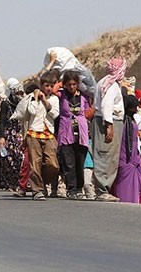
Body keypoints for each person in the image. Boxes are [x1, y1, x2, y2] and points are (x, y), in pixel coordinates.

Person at [92, 57, 127, 202]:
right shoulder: (111, 85)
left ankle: (103, 189)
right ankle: (102, 190)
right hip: (108, 122)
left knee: (107, 155)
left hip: (107, 121)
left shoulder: (105, 82)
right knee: (105, 155)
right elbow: (107, 105)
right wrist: (109, 126)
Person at [24, 72, 60, 200]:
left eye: (51, 85)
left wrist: (45, 102)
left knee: (53, 164)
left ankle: (43, 182)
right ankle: (37, 190)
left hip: (48, 134)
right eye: (46, 85)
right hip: (34, 133)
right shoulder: (33, 98)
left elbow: (55, 114)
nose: (49, 88)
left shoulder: (54, 99)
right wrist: (35, 98)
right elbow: (31, 111)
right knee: (35, 163)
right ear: (41, 85)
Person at [57, 71, 90, 199]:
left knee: (79, 162)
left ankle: (79, 188)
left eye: (74, 84)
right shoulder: (62, 95)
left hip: (81, 134)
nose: (71, 87)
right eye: (69, 84)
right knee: (68, 163)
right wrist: (61, 83)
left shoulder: (83, 97)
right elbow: (54, 90)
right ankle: (71, 189)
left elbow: (89, 109)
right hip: (66, 133)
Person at [112, 95, 141, 203]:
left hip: (134, 155)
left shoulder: (132, 120)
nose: (136, 109)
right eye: (134, 106)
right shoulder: (123, 121)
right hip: (125, 156)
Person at [0, 78, 25, 192]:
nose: (19, 95)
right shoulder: (5, 103)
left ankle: (18, 183)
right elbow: (2, 120)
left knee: (19, 159)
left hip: (19, 134)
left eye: (21, 93)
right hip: (9, 134)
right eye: (17, 93)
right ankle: (10, 184)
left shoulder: (23, 103)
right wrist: (2, 137)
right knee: (8, 160)